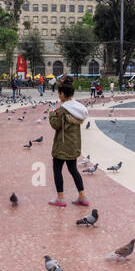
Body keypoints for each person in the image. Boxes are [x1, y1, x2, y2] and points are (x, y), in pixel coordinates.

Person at [48, 79, 89, 207]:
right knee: (73, 170)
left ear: (63, 94)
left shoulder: (63, 110)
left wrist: (51, 114)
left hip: (62, 145)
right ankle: (83, 197)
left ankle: (60, 199)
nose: (58, 96)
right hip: (74, 144)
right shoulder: (79, 108)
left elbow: (56, 125)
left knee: (57, 170)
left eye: (59, 93)